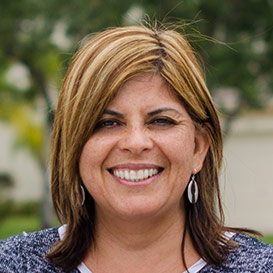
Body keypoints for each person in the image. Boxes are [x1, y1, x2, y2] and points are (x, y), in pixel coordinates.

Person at [0, 24, 272, 273]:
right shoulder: (13, 264)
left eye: (161, 121)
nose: (136, 142)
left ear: (198, 148)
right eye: (106, 123)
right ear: (73, 146)